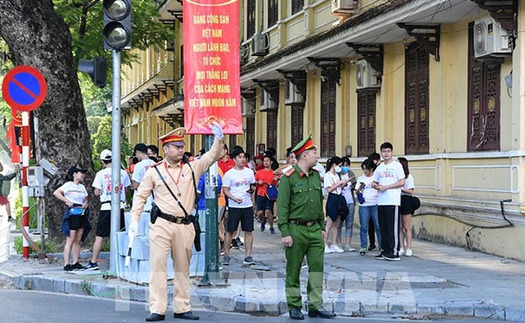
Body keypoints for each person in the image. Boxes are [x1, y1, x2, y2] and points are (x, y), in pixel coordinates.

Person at [129, 123, 224, 322]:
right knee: (158, 266)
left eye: (182, 145)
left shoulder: (192, 167)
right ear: (165, 149)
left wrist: (219, 138)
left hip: (185, 225)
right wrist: (134, 220)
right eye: (176, 146)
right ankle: (158, 308)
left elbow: (212, 156)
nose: (181, 149)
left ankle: (182, 306)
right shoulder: (154, 171)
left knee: (182, 267)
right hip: (161, 224)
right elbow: (140, 196)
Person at [277, 134, 336, 320]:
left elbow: (319, 203)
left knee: (317, 267)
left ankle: (315, 304)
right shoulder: (289, 177)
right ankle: (294, 304)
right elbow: (283, 206)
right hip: (296, 229)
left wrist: (322, 226)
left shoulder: (316, 175)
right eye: (313, 152)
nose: (316, 156)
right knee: (293, 269)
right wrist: (285, 232)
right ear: (304, 156)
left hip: (314, 230)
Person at [86, 149, 131, 271]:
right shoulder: (122, 173)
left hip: (106, 207)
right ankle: (123, 262)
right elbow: (126, 189)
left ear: (102, 161)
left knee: (100, 236)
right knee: (121, 235)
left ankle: (94, 262)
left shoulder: (100, 174)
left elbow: (96, 191)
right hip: (120, 206)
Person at [222, 146, 256, 266]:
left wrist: (252, 190)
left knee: (248, 231)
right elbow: (225, 189)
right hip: (234, 206)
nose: (242, 159)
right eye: (240, 157)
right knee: (230, 231)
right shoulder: (229, 174)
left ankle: (248, 255)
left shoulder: (249, 172)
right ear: (234, 159)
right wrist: (233, 198)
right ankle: (226, 254)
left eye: (244, 157)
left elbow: (253, 185)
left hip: (247, 205)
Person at [372, 142, 405, 261]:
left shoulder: (397, 166)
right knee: (383, 228)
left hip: (393, 201)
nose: (386, 154)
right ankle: (385, 250)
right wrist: (375, 185)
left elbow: (402, 182)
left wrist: (386, 187)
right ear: (381, 153)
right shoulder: (379, 168)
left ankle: (394, 251)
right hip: (381, 201)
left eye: (388, 151)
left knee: (392, 228)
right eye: (384, 151)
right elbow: (375, 181)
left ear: (391, 152)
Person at [54, 166, 90, 271]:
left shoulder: (82, 187)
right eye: (80, 173)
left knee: (78, 239)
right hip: (72, 213)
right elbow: (56, 193)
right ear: (74, 174)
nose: (83, 175)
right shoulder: (68, 185)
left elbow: (86, 198)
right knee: (71, 238)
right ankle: (66, 263)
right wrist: (67, 201)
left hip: (81, 213)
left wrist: (85, 203)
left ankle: (75, 262)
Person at [323, 156, 348, 254]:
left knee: (336, 224)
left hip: (339, 197)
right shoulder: (328, 175)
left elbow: (339, 187)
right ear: (334, 165)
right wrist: (338, 184)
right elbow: (329, 189)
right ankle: (324, 244)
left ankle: (334, 244)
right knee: (329, 223)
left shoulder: (337, 175)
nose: (340, 167)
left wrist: (344, 183)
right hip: (332, 198)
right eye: (339, 165)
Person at [356, 159, 380, 255]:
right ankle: (363, 246)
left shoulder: (376, 177)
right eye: (364, 169)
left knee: (378, 226)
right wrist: (360, 188)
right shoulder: (361, 178)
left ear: (371, 169)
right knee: (364, 227)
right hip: (364, 205)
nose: (365, 171)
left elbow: (380, 188)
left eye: (367, 169)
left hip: (375, 203)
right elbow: (357, 192)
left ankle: (381, 246)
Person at [337, 157, 356, 252]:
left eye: (347, 165)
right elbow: (337, 187)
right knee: (339, 223)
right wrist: (345, 183)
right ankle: (338, 243)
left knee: (349, 223)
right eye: (343, 165)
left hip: (350, 201)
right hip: (341, 202)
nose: (345, 167)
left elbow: (354, 186)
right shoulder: (337, 175)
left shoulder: (351, 174)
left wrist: (352, 184)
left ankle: (348, 244)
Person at [255, 155, 278, 234]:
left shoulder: (274, 173)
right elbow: (254, 182)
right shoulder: (259, 172)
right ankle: (263, 220)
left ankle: (271, 227)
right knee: (260, 213)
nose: (266, 162)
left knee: (268, 211)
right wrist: (258, 182)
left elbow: (277, 185)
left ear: (271, 162)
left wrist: (277, 180)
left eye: (267, 161)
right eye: (264, 161)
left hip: (269, 195)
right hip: (260, 194)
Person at [398, 157, 415, 257]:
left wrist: (402, 189)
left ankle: (409, 248)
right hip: (397, 200)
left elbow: (411, 191)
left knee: (406, 226)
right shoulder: (397, 177)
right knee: (399, 226)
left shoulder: (409, 177)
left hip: (406, 200)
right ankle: (401, 247)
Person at [132, 143, 156, 212]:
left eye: (136, 154)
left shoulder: (138, 166)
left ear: (138, 152)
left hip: (142, 200)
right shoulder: (154, 163)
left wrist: (132, 183)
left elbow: (135, 185)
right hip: (153, 199)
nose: (136, 156)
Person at [367, 152, 381, 250]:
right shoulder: (371, 171)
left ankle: (381, 244)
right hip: (370, 201)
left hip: (378, 200)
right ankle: (372, 242)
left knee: (378, 224)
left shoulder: (380, 170)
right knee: (370, 224)